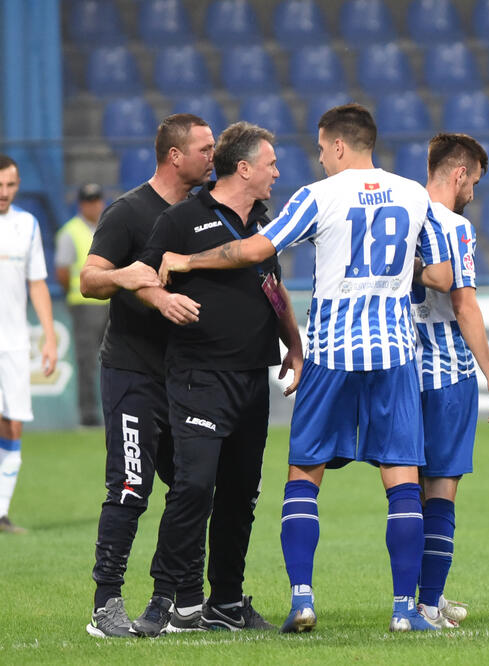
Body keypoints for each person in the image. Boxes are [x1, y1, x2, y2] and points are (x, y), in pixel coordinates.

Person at [157, 104, 454, 633]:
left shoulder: (319, 197)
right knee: (402, 475)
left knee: (305, 474)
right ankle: (406, 611)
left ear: (338, 146)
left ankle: (302, 600)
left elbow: (255, 249)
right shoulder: (414, 194)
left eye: (320, 149)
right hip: (395, 354)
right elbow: (439, 272)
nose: (318, 159)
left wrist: (189, 260)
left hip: (333, 353)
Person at [133, 121, 299, 635]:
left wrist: (294, 343)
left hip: (253, 376)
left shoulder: (266, 224)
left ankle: (225, 602)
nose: (277, 171)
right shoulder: (183, 218)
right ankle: (163, 601)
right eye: (270, 163)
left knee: (239, 496)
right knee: (194, 488)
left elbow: (272, 287)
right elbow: (142, 274)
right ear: (244, 168)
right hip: (198, 376)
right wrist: (162, 298)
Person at [81, 114, 214, 638]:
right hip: (133, 373)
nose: (214, 155)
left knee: (192, 487)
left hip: (185, 378)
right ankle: (105, 605)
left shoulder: (203, 213)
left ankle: (189, 602)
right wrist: (122, 275)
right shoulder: (129, 212)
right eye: (205, 148)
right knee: (131, 485)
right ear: (175, 155)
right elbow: (91, 279)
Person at [410, 133, 489, 629]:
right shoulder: (455, 227)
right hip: (447, 373)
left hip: (400, 373)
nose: (473, 192)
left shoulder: (400, 214)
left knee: (406, 492)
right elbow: (464, 303)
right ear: (459, 174)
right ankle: (427, 603)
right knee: (443, 490)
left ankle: (418, 598)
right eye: (473, 182)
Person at [0, 154, 57, 534]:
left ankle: (1, 512)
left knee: (13, 424)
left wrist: (49, 336)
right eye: (0, 185)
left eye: (11, 185)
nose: (5, 192)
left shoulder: (27, 225)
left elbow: (37, 282)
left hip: (14, 342)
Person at [55, 183, 109, 427]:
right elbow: (63, 272)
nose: (94, 204)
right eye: (89, 200)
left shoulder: (110, 225)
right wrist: (73, 293)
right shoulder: (70, 231)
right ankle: (88, 414)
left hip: (112, 300)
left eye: (97, 199)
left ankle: (114, 410)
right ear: (81, 204)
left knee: (117, 359)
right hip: (84, 303)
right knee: (87, 361)